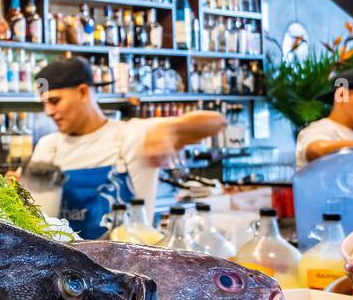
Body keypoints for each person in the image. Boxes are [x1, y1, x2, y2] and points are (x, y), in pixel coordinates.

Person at [22, 58, 226, 239]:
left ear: (83, 92)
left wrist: (169, 132)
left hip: (128, 268)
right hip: (66, 269)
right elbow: (36, 217)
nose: (48, 111)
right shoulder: (48, 146)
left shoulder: (133, 134)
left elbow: (216, 121)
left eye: (55, 101)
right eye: (44, 104)